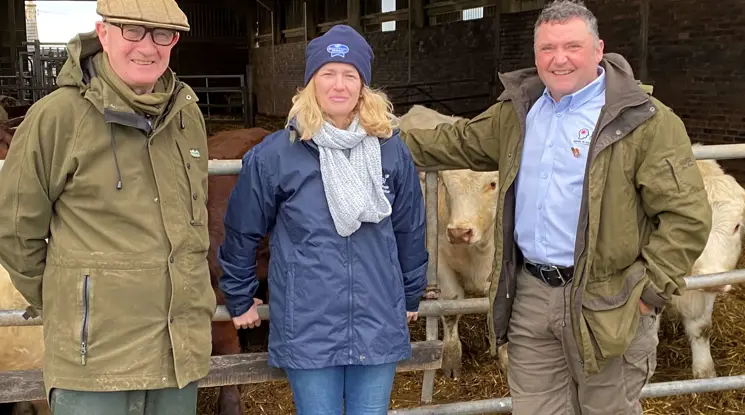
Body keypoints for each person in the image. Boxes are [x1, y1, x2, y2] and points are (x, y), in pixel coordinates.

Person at [399, 1, 712, 414]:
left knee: (608, 409)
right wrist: (374, 134)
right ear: (535, 55)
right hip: (531, 295)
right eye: (547, 48)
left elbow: (687, 217)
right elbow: (454, 142)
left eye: (572, 46)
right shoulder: (519, 111)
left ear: (599, 49)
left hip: (608, 298)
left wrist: (648, 293)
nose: (559, 59)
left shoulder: (644, 121)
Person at [0, 0, 215, 414]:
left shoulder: (187, 116)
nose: (147, 47)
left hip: (177, 358)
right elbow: (14, 230)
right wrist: (71, 302)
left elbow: (193, 229)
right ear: (103, 33)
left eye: (162, 34)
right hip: (95, 364)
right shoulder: (57, 118)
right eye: (132, 30)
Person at [217, 24, 428, 415]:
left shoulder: (390, 150)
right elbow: (242, 229)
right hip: (308, 322)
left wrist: (411, 292)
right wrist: (240, 295)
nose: (339, 85)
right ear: (311, 82)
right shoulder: (277, 154)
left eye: (350, 75)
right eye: (328, 73)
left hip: (378, 315)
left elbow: (409, 228)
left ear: (363, 86)